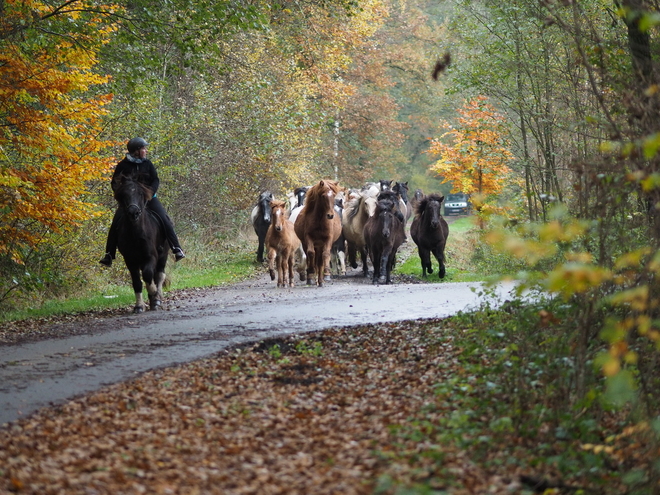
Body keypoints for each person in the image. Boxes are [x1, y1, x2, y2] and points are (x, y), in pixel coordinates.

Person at [99, 137, 185, 266]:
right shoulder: (123, 165)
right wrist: (123, 196)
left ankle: (176, 248)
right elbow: (115, 183)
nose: (146, 151)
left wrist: (150, 192)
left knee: (164, 218)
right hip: (130, 202)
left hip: (149, 199)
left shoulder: (148, 164)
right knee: (116, 223)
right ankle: (109, 254)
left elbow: (155, 180)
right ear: (136, 151)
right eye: (143, 148)